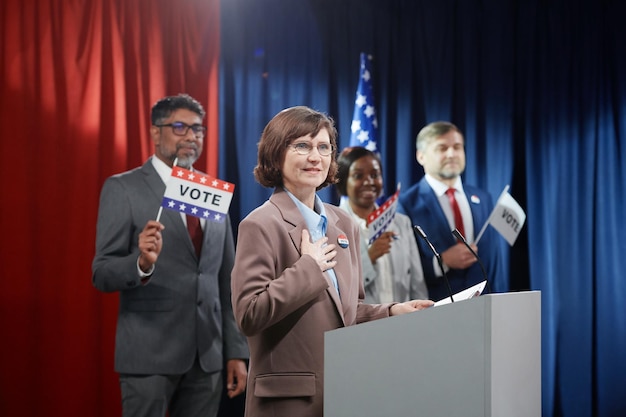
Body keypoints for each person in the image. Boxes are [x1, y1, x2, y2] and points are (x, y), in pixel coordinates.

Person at [230, 106, 434, 417]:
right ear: (275, 153)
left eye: (323, 147)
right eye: (302, 146)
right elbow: (249, 314)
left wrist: (393, 311)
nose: (315, 157)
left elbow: (347, 311)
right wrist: (308, 269)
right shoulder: (260, 224)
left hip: (344, 393)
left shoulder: (344, 224)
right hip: (288, 401)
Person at [92, 94, 248, 417]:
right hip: (149, 355)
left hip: (207, 358)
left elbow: (225, 278)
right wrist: (141, 263)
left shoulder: (211, 192)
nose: (192, 136)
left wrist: (235, 350)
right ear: (155, 132)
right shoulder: (123, 188)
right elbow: (102, 272)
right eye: (180, 127)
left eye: (198, 129)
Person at [398, 121, 503, 302]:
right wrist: (443, 262)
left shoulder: (483, 198)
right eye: (442, 148)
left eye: (457, 147)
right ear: (421, 156)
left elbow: (492, 259)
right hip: (436, 310)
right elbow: (401, 268)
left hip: (484, 307)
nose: (452, 154)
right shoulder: (406, 204)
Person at [336, 146, 428, 303]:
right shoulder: (334, 225)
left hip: (403, 321)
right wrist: (369, 257)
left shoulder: (401, 222)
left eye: (375, 175)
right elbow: (337, 287)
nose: (369, 182)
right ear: (344, 181)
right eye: (358, 176)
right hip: (361, 324)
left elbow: (416, 283)